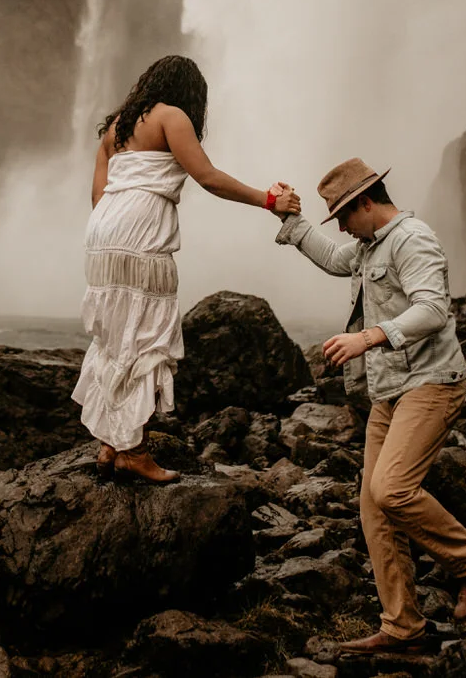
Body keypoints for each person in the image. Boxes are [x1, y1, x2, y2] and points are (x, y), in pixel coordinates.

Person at [271, 158, 466, 652]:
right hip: (391, 392)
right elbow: (336, 259)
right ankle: (403, 627)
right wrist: (291, 223)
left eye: (341, 216)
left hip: (432, 383)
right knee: (374, 509)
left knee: (393, 489)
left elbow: (433, 309)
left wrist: (371, 337)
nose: (340, 227)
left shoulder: (412, 238)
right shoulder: (369, 245)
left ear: (366, 202)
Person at [72, 54, 300, 485]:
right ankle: (134, 451)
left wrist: (116, 228)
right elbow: (208, 177)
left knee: (114, 335)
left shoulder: (116, 127)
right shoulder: (171, 116)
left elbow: (98, 195)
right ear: (189, 92)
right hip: (139, 234)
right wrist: (268, 200)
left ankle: (111, 441)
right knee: (143, 334)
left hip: (101, 233)